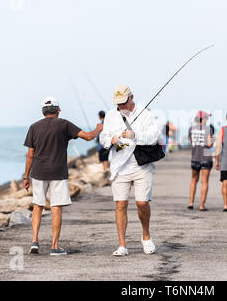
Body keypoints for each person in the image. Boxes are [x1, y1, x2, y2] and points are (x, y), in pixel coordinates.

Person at [23, 97, 102, 256]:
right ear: (58, 110)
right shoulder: (64, 124)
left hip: (38, 173)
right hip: (58, 173)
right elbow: (87, 136)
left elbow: (30, 155)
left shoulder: (34, 127)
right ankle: (54, 246)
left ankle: (35, 241)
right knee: (56, 207)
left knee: (38, 206)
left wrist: (26, 177)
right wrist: (98, 129)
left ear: (42, 112)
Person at [100, 85, 159, 256]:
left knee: (142, 203)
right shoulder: (111, 116)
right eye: (118, 104)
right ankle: (122, 245)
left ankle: (146, 236)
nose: (121, 107)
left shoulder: (145, 114)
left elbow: (154, 137)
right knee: (121, 204)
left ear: (131, 98)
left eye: (124, 103)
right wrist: (110, 140)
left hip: (141, 165)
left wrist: (135, 135)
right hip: (119, 166)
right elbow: (103, 138)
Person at [187, 111, 214, 211]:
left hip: (195, 157)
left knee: (194, 180)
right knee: (204, 181)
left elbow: (192, 142)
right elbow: (210, 144)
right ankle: (202, 205)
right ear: (204, 119)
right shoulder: (208, 129)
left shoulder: (191, 129)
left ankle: (191, 202)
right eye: (207, 117)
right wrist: (213, 140)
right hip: (206, 157)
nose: (208, 119)